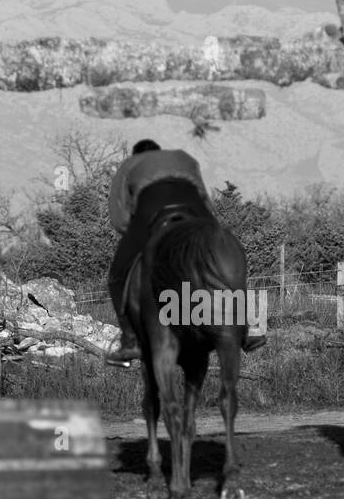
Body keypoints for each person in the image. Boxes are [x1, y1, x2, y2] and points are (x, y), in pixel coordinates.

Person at [105, 139, 266, 365]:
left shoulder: (130, 165)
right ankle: (248, 331)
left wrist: (132, 234)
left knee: (117, 276)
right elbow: (207, 202)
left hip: (152, 216)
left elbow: (119, 215)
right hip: (196, 213)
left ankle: (130, 342)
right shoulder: (184, 159)